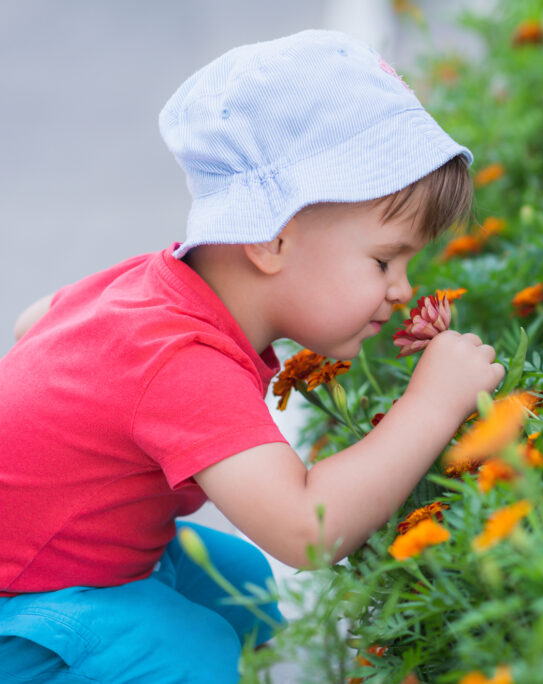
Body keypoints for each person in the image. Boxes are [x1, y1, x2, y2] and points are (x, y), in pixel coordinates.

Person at [0, 30, 504, 683]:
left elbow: (32, 321)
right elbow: (308, 530)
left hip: (62, 561)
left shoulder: (156, 288)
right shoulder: (179, 360)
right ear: (270, 240)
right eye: (384, 259)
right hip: (24, 602)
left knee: (243, 589)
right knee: (194, 655)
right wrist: (430, 404)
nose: (403, 289)